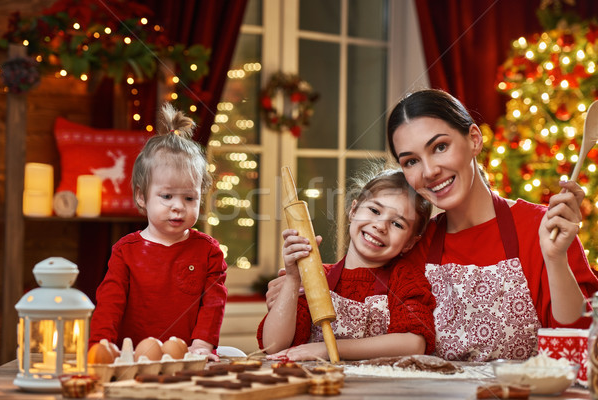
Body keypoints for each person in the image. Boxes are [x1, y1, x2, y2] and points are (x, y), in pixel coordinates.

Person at [385, 88, 598, 361]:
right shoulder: (416, 244)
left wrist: (555, 259)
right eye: (411, 161)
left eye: (440, 147)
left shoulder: (545, 228)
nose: (429, 172)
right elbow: (366, 308)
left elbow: (580, 347)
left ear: (474, 139)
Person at [90, 103, 227, 361]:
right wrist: (100, 347)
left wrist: (202, 346)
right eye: (166, 196)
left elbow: (213, 305)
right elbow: (109, 305)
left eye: (189, 198)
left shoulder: (209, 252)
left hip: (188, 359)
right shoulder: (125, 251)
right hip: (130, 360)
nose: (178, 206)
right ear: (142, 196)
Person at [257, 168, 436, 361]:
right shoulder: (315, 277)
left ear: (410, 243)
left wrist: (330, 349)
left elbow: (414, 343)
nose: (380, 226)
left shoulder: (405, 278)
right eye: (375, 210)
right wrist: (293, 279)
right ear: (353, 210)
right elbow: (273, 346)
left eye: (397, 224)